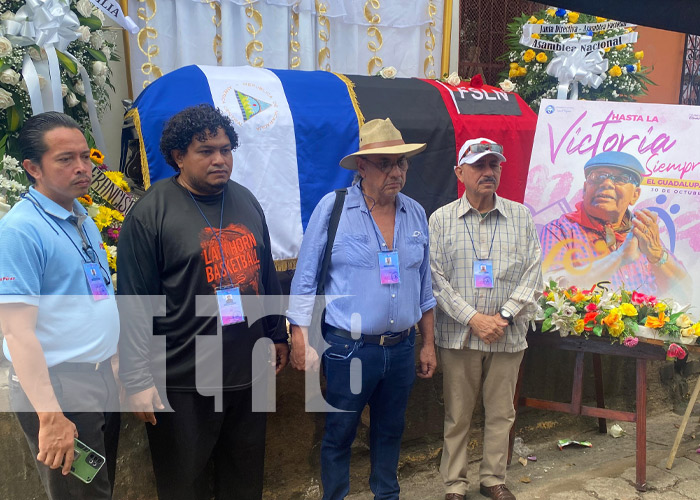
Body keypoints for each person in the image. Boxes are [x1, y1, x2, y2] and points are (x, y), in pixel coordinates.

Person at [117, 104, 288, 500]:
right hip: (182, 383)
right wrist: (137, 378)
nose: (220, 160)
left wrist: (276, 334)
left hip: (247, 375)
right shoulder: (150, 214)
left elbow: (265, 275)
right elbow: (134, 301)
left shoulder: (245, 200)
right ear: (178, 156)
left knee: (244, 481)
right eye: (206, 151)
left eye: (226, 150)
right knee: (183, 486)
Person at [287, 118, 437, 500]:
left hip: (401, 349)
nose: (396, 172)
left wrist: (428, 343)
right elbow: (305, 279)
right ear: (362, 167)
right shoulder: (334, 209)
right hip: (349, 349)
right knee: (339, 433)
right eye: (385, 163)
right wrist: (299, 338)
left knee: (391, 431)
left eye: (401, 163)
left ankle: (387, 495)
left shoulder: (416, 214)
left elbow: (424, 288)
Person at [0, 112, 120, 499]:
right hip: (59, 386)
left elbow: (98, 293)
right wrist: (50, 417)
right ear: (32, 168)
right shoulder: (20, 231)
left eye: (86, 156)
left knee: (99, 490)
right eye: (65, 159)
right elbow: (17, 332)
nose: (83, 168)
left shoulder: (81, 217)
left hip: (97, 378)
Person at [429, 138, 542, 500]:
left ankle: (493, 478)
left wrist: (504, 316)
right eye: (479, 166)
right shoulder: (441, 219)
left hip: (507, 335)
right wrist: (474, 318)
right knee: (457, 415)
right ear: (460, 172)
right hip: (460, 335)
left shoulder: (521, 216)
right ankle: (454, 485)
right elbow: (434, 279)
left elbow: (533, 275)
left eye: (494, 165)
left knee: (501, 413)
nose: (488, 172)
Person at [540, 151, 691, 298]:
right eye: (598, 177)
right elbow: (549, 290)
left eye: (620, 178)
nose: (606, 184)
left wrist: (657, 255)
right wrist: (619, 258)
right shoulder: (560, 230)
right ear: (585, 189)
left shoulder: (643, 232)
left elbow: (686, 295)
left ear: (635, 195)